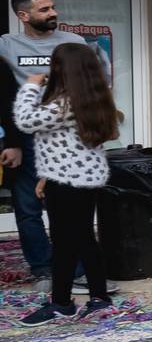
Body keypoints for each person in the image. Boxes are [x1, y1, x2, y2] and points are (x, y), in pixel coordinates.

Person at [0, 0, 107, 287]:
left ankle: (78, 271)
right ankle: (43, 268)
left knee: (70, 211)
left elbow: (96, 84)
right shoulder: (6, 45)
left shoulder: (73, 43)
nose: (53, 13)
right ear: (23, 15)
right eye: (44, 9)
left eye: (52, 7)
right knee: (27, 206)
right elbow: (4, 94)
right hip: (28, 137)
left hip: (68, 136)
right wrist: (11, 141)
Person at [15, 43, 117, 326]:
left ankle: (62, 303)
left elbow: (26, 120)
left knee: (64, 241)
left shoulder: (63, 103)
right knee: (83, 237)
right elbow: (72, 143)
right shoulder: (91, 98)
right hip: (81, 176)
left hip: (69, 181)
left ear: (62, 68)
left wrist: (31, 86)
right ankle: (99, 299)